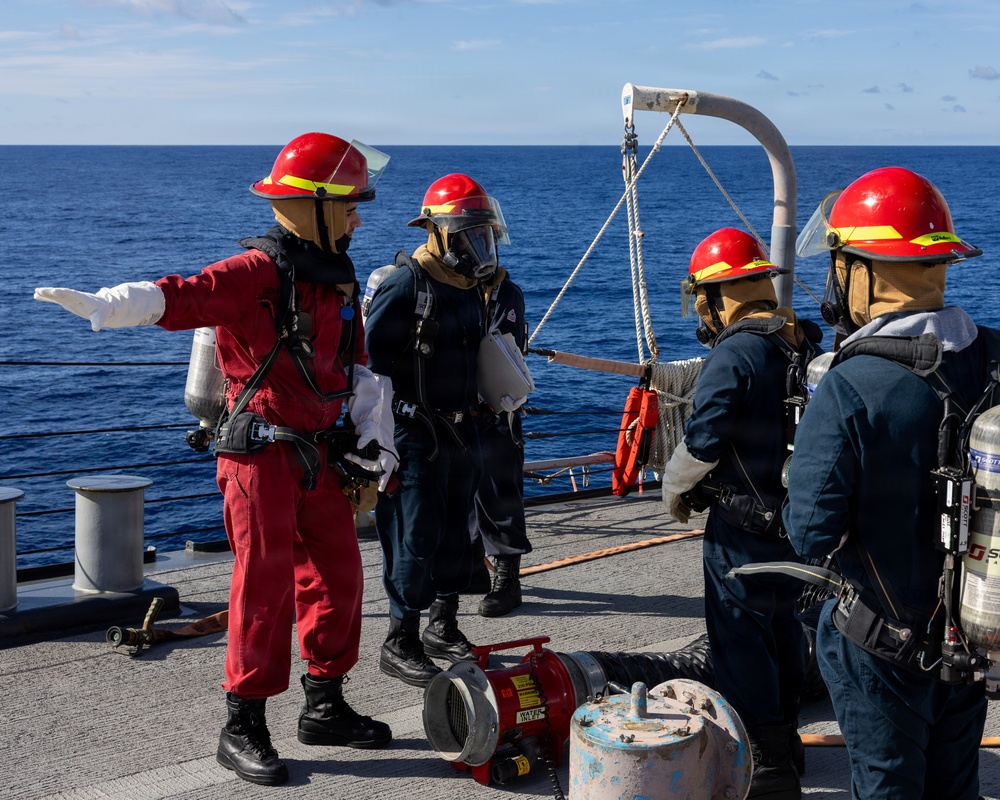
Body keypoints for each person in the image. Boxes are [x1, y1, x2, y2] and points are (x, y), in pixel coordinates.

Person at [34, 132, 398, 787]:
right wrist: (108, 306)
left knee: (339, 578)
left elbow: (355, 364)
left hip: (320, 454)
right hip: (259, 460)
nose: (358, 218)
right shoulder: (257, 274)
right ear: (314, 206)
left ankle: (324, 705)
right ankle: (243, 725)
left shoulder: (338, 278)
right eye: (350, 206)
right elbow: (186, 294)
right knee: (262, 591)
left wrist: (375, 435)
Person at [784, 166, 991, 800]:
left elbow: (809, 533)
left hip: (881, 647)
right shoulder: (995, 360)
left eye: (840, 261)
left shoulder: (848, 385)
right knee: (954, 786)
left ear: (865, 271)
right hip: (973, 634)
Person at [660, 227, 822, 800]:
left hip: (741, 529)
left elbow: (704, 439)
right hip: (793, 525)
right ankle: (788, 746)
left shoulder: (735, 351)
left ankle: (765, 763)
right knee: (782, 632)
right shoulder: (797, 340)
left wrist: (673, 489)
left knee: (739, 640)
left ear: (714, 296)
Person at [364, 173, 506, 687]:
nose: (477, 248)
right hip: (413, 436)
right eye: (469, 236)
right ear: (439, 232)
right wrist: (374, 444)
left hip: (463, 431)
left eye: (482, 236)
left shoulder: (469, 288)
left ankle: (441, 626)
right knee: (414, 535)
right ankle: (399, 640)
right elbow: (369, 369)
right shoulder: (407, 286)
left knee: (455, 534)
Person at [472, 264, 531, 617]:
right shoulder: (445, 288)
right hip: (455, 402)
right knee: (459, 488)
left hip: (497, 406)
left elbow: (510, 347)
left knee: (500, 488)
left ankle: (508, 576)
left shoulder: (506, 293)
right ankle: (470, 568)